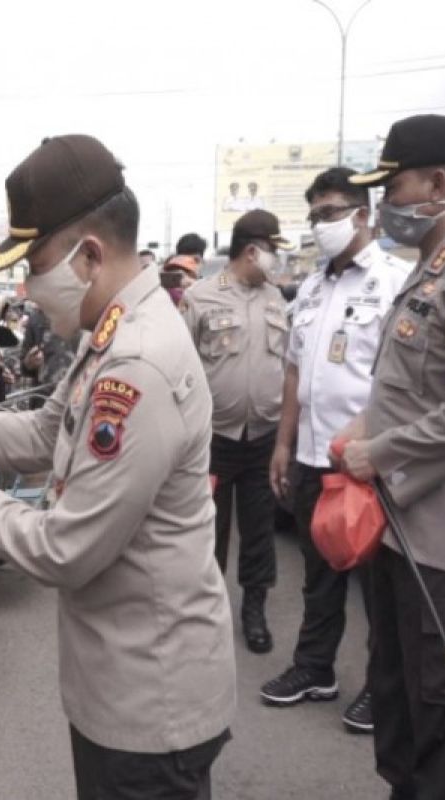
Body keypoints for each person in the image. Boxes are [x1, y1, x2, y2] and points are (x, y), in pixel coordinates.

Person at [0, 134, 235, 800]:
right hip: (122, 679)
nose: (27, 286)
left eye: (35, 262)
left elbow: (71, 548)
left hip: (151, 699)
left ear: (89, 254)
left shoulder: (136, 362)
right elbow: (49, 428)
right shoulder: (108, 332)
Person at [337, 114, 445, 800]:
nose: (385, 205)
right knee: (404, 735)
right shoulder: (429, 270)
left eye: (394, 185)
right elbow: (413, 385)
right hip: (405, 541)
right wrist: (363, 425)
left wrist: (380, 452)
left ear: (437, 182)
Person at [260, 167, 410, 733]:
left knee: (377, 584)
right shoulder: (313, 287)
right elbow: (296, 370)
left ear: (364, 213)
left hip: (368, 461)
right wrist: (283, 442)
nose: (322, 224)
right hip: (312, 456)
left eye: (331, 212)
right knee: (317, 571)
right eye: (315, 214)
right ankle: (314, 669)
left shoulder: (397, 280)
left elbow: (404, 380)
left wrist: (377, 448)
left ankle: (382, 685)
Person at [180, 209, 293, 655]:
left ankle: (254, 612)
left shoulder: (276, 299)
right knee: (208, 530)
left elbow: (284, 365)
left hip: (262, 437)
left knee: (259, 530)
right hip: (213, 439)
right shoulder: (201, 297)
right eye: (272, 252)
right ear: (252, 250)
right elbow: (180, 366)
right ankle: (204, 614)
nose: (275, 261)